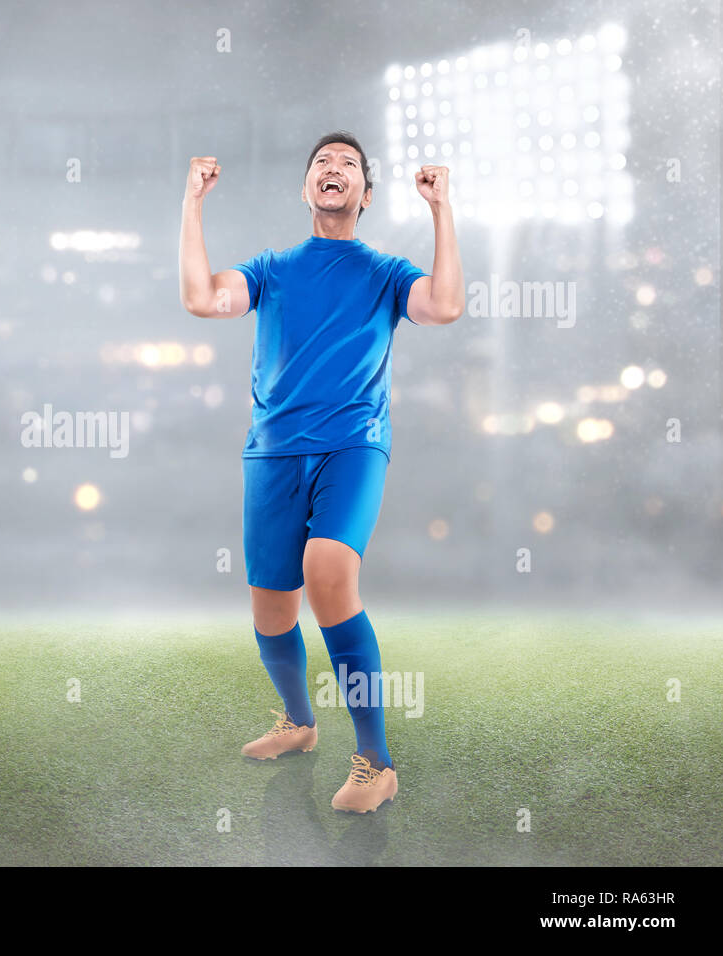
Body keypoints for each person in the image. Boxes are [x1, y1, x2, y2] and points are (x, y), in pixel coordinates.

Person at [178, 131, 465, 813]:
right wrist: (191, 205)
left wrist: (442, 210)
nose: (332, 170)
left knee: (329, 572)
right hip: (273, 451)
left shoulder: (386, 274)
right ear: (306, 189)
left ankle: (375, 761)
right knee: (272, 606)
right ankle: (299, 723)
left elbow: (446, 306)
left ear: (365, 194)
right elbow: (200, 298)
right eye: (321, 164)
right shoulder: (273, 268)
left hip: (352, 444)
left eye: (347, 166)